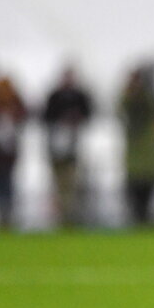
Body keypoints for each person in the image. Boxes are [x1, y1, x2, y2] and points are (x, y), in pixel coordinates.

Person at [44, 66, 93, 226]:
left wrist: (76, 120)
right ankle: (61, 216)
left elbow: (88, 114)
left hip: (73, 147)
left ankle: (70, 215)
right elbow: (46, 116)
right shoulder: (55, 96)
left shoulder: (79, 96)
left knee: (72, 182)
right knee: (58, 183)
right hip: (56, 147)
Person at [120, 64, 154, 225]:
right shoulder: (127, 100)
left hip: (146, 155)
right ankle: (139, 217)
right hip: (137, 155)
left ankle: (144, 217)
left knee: (147, 186)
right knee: (135, 188)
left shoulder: (148, 100)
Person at [0, 76, 27, 228]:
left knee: (8, 182)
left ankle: (8, 215)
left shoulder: (15, 104)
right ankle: (0, 215)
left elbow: (24, 115)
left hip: (9, 152)